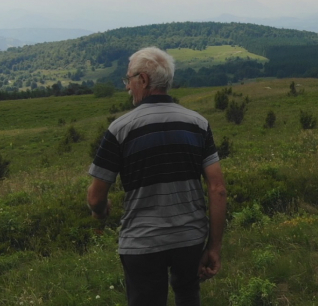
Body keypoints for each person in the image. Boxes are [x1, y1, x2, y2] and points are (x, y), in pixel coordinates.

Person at [87, 47, 227, 306]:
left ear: (143, 80)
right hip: (190, 239)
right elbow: (217, 188)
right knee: (188, 296)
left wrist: (99, 212)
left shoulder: (119, 129)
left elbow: (96, 196)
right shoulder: (198, 124)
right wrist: (214, 247)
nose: (127, 87)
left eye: (128, 79)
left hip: (142, 243)